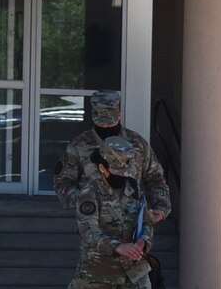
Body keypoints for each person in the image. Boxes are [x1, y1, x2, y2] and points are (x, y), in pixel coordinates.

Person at [69, 136, 159, 289]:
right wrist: (118, 247)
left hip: (134, 271)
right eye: (118, 172)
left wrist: (143, 241)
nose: (123, 177)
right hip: (98, 274)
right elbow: (88, 231)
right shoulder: (89, 194)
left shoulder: (133, 188)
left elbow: (147, 222)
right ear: (103, 169)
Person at [54, 89, 169, 227]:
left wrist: (161, 207)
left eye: (109, 119)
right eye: (101, 120)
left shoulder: (137, 144)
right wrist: (87, 202)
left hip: (131, 225)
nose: (105, 125)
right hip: (92, 226)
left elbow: (155, 179)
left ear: (119, 113)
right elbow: (63, 183)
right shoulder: (79, 146)